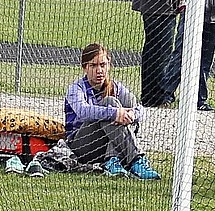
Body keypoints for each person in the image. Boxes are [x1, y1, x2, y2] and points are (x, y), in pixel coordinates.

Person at [64, 43, 160, 179]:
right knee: (110, 103)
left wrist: (132, 114)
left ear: (109, 65)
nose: (99, 70)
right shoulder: (76, 88)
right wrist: (114, 113)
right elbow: (83, 111)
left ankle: (112, 160)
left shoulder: (115, 87)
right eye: (93, 65)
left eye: (103, 65)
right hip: (81, 147)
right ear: (85, 67)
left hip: (106, 145)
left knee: (129, 101)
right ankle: (135, 159)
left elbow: (141, 110)